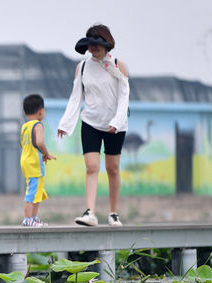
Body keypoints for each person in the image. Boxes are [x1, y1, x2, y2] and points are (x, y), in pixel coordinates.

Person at [57, 24, 130, 227]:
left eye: (97, 45)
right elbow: (75, 97)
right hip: (90, 122)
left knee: (112, 168)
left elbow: (124, 97)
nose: (93, 49)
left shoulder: (118, 65)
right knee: (91, 167)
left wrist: (117, 121)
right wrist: (66, 123)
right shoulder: (82, 67)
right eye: (90, 45)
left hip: (115, 124)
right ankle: (90, 212)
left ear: (106, 44)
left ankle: (113, 213)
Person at [20, 94, 56, 227]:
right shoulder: (38, 125)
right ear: (41, 111)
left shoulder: (25, 126)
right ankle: (28, 218)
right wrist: (46, 154)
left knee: (37, 191)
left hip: (26, 160)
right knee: (32, 190)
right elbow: (40, 142)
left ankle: (33, 218)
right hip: (34, 163)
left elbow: (23, 144)